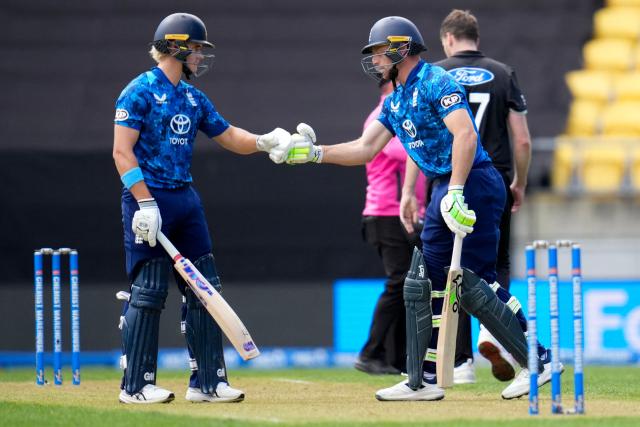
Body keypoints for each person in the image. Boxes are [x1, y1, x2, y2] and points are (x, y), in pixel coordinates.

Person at [285, 16, 554, 401]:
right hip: (446, 184)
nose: (375, 60)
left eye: (379, 52)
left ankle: (538, 360)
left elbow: (464, 134)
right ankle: (422, 379)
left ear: (399, 49)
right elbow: (365, 148)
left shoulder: (436, 80)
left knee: (476, 281)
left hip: (473, 180)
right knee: (424, 282)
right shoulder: (396, 100)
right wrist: (314, 153)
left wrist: (457, 192)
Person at [112, 12, 292, 404]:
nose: (199, 57)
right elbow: (122, 153)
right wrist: (144, 201)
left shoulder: (194, 98)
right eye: (195, 49)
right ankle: (136, 386)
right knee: (149, 290)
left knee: (204, 288)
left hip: (184, 200)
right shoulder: (138, 91)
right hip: (148, 200)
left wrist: (263, 142)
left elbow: (228, 135)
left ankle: (208, 383)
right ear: (175, 47)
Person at [436, 9, 532, 385]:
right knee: (496, 263)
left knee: (452, 268)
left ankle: (460, 364)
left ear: (448, 38)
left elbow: (422, 136)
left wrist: (410, 190)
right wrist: (520, 182)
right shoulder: (504, 73)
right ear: (475, 37)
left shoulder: (436, 73)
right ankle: (492, 334)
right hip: (496, 180)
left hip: (452, 179)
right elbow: (521, 139)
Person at [355, 79, 427, 376]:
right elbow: (408, 151)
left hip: (394, 213)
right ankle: (371, 352)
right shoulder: (384, 116)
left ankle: (394, 358)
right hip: (387, 213)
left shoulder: (391, 113)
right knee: (400, 282)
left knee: (406, 285)